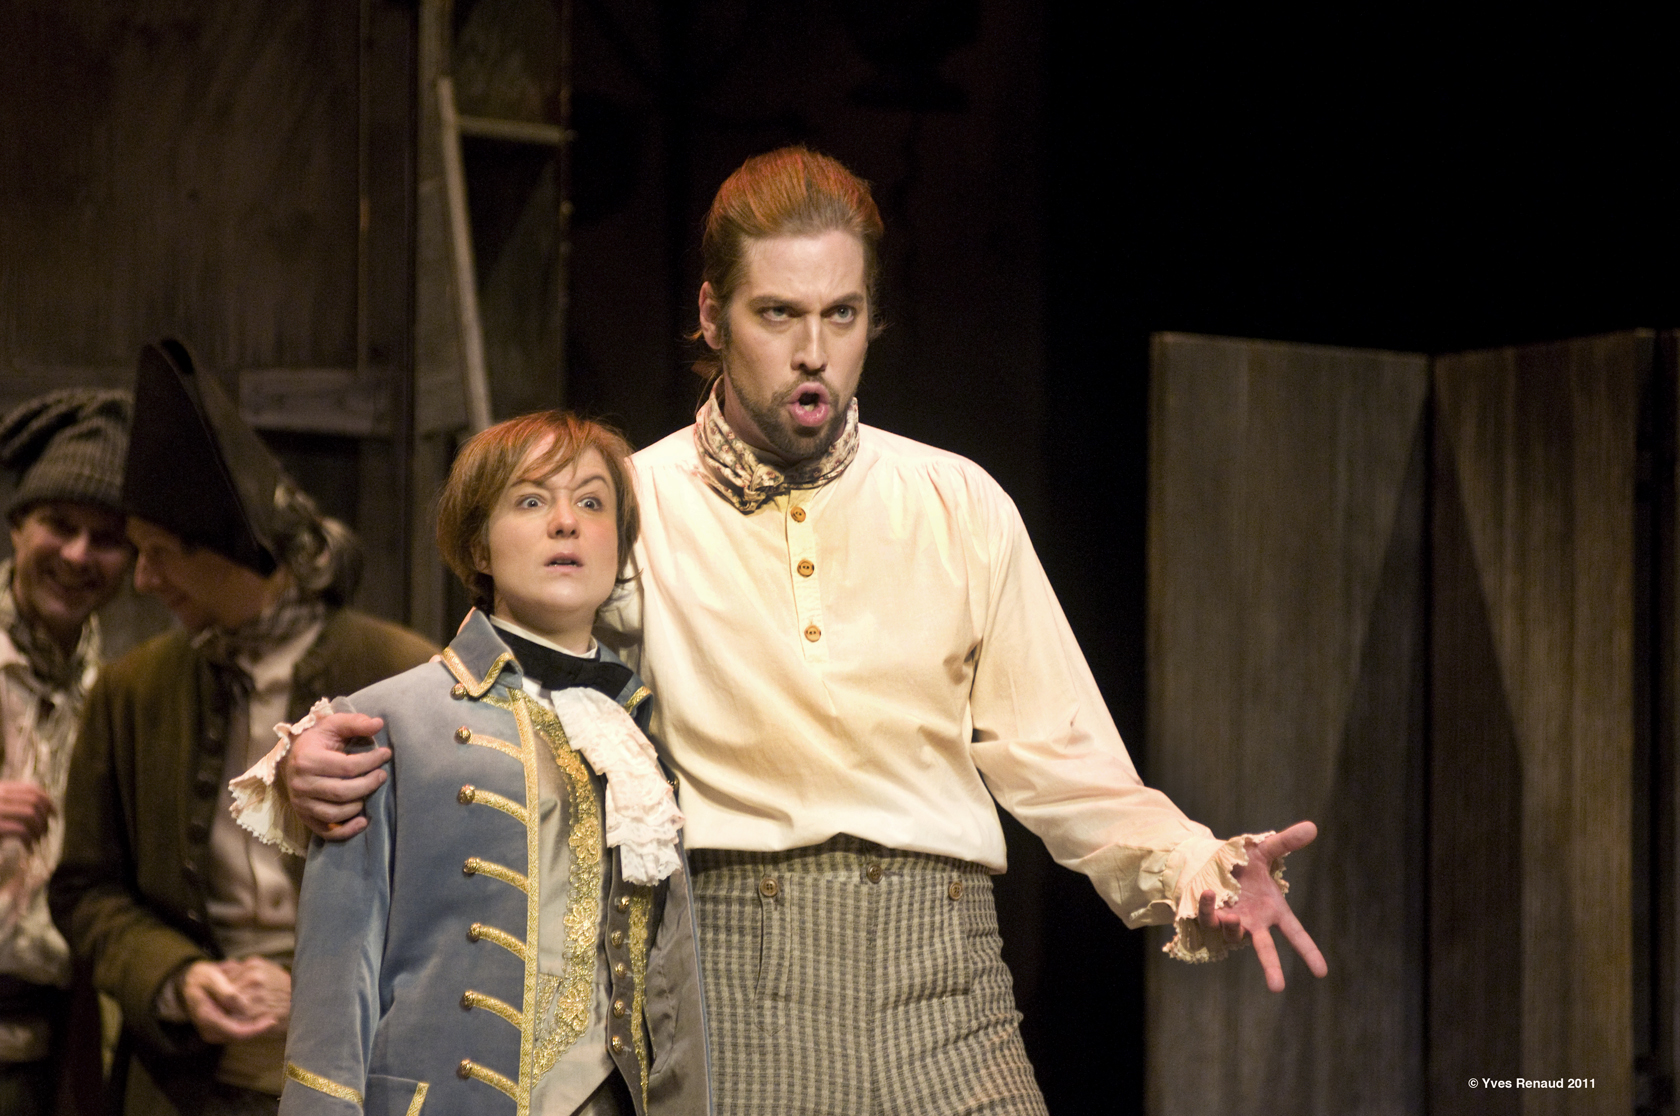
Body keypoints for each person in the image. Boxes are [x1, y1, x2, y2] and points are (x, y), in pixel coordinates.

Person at [271, 148, 1327, 1115]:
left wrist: (1194, 865)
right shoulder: (632, 504)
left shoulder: (955, 501)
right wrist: (307, 762)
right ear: (712, 314)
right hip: (740, 988)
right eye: (778, 314)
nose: (813, 352)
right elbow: (496, 692)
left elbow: (1063, 758)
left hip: (949, 987)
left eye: (842, 314)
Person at [246, 410, 710, 1116]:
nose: (567, 523)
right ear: (479, 548)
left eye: (592, 503)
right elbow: (336, 984)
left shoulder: (637, 743)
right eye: (532, 500)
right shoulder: (387, 720)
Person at [49, 340, 437, 1116]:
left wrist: (322, 986)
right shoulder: (131, 692)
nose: (143, 579)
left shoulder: (403, 676)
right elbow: (87, 889)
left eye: (160, 554)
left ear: (233, 552)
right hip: (180, 1086)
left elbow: (448, 900)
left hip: (358, 1076)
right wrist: (176, 978)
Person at [0, 390, 133, 1115]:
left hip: (58, 1044)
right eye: (59, 524)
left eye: (105, 537)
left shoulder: (114, 691)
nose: (79, 555)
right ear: (18, 526)